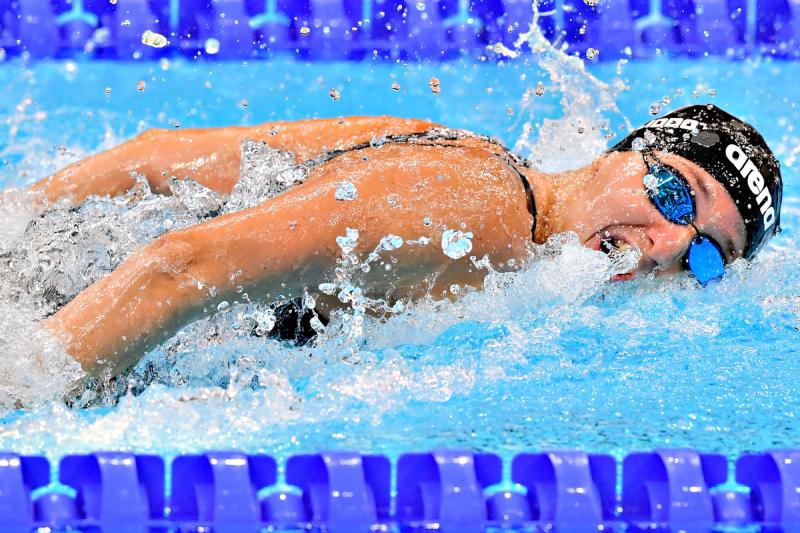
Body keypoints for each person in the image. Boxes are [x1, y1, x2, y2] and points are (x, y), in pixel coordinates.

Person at [19, 104, 782, 382]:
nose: (664, 247)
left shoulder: (470, 153)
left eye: (706, 257)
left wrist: (16, 215)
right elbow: (181, 263)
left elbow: (156, 158)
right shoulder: (481, 218)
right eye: (676, 192)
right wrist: (26, 385)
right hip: (57, 317)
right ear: (624, 150)